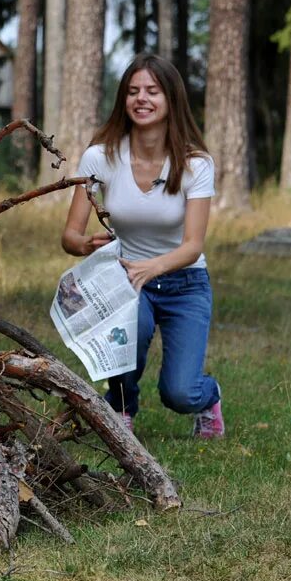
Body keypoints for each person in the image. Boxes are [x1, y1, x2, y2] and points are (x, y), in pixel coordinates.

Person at [60, 53, 223, 439]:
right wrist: (83, 245)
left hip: (185, 284)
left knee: (180, 393)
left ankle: (210, 397)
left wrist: (151, 267)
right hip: (126, 281)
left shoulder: (196, 164)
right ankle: (121, 409)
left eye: (152, 90)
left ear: (170, 99)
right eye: (133, 91)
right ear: (123, 100)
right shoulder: (100, 157)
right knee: (127, 345)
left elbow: (193, 245)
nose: (142, 98)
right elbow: (69, 235)